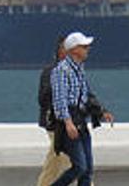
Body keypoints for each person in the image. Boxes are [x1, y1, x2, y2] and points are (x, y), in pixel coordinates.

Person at [50, 32, 114, 186]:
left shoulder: (79, 70)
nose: (88, 49)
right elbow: (60, 100)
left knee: (88, 169)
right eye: (84, 47)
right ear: (74, 50)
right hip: (71, 120)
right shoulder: (61, 70)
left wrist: (101, 111)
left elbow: (87, 94)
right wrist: (68, 122)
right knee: (80, 167)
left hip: (81, 120)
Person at [37, 36, 71, 186]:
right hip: (55, 123)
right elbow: (43, 98)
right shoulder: (50, 72)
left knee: (54, 163)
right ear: (60, 51)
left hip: (70, 123)